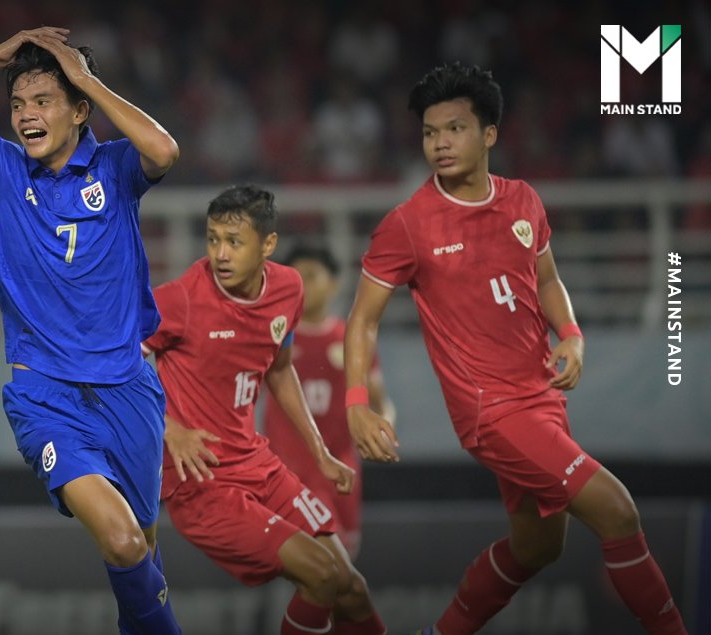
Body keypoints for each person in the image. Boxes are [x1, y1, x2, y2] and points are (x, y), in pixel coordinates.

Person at [344, 62, 688, 635]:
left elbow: (547, 280)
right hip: (491, 409)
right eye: (430, 133)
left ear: (489, 134)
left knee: (537, 546)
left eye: (454, 129)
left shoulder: (523, 201)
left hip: (541, 397)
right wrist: (357, 403)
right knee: (617, 510)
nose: (439, 144)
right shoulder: (407, 224)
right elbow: (362, 321)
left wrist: (572, 334)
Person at [0, 28, 182, 634]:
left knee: (144, 553)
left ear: (79, 110)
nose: (26, 115)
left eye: (44, 101)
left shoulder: (115, 166)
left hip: (129, 389)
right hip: (45, 396)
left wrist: (87, 79)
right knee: (124, 542)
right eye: (18, 103)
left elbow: (164, 150)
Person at [144, 185, 387, 635]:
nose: (220, 253)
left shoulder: (288, 288)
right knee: (321, 575)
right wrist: (170, 429)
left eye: (234, 241)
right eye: (213, 239)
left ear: (268, 244)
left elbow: (279, 369)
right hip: (202, 480)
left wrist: (320, 454)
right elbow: (119, 361)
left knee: (351, 588)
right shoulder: (182, 298)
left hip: (258, 465)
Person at [261, 244, 395, 561]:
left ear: (333, 283)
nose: (303, 286)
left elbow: (380, 401)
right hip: (288, 470)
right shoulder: (272, 336)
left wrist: (384, 430)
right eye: (296, 278)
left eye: (311, 276)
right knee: (308, 563)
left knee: (344, 560)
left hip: (341, 466)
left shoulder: (348, 338)